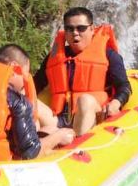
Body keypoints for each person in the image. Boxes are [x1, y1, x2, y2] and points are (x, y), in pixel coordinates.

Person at [33, 7, 131, 136]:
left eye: (81, 28)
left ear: (92, 29)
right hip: (59, 119)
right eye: (70, 29)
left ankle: (79, 141)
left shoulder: (109, 55)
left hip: (94, 115)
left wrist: (116, 102)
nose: (75, 33)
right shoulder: (54, 57)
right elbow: (35, 85)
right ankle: (30, 143)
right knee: (29, 101)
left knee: (85, 100)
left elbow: (124, 86)